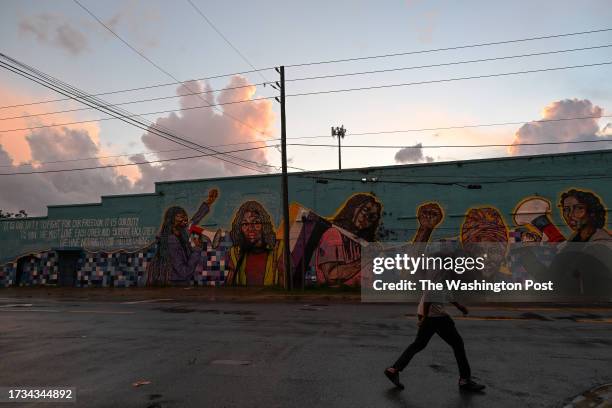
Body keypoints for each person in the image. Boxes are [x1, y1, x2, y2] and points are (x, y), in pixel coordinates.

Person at [384, 256, 485, 392]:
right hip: (435, 316)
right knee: (458, 345)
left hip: (430, 314)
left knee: (419, 344)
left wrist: (458, 306)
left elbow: (444, 292)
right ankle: (465, 380)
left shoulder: (440, 272)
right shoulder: (443, 272)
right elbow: (431, 294)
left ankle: (393, 369)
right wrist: (424, 318)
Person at [315, 193, 382, 286]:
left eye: (372, 216)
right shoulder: (334, 234)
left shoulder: (360, 242)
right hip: (337, 296)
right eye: (365, 210)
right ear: (353, 207)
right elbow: (331, 276)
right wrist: (367, 258)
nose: (366, 217)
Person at [226, 201, 282, 286]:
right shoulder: (235, 253)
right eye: (245, 224)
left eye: (256, 223)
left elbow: (285, 284)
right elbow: (229, 286)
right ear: (240, 228)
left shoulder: (278, 249)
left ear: (264, 225)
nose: (250, 228)